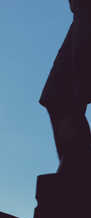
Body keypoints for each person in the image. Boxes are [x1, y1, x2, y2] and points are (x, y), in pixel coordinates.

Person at [39, 0, 91, 173]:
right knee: (55, 95)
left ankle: (77, 168)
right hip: (82, 14)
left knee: (59, 94)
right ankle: (76, 165)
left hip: (86, 13)